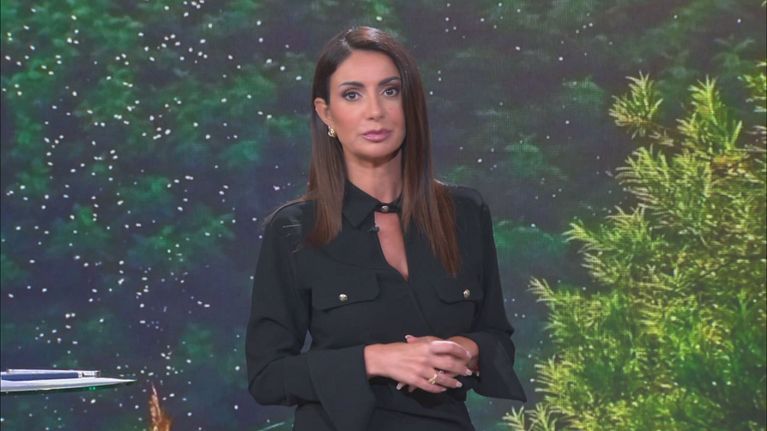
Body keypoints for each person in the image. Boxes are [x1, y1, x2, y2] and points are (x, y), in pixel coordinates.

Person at [246, 26, 526, 431]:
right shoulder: (294, 229)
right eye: (352, 95)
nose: (375, 111)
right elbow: (267, 376)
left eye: (390, 91)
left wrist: (465, 350)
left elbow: (497, 337)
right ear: (326, 113)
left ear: (410, 104)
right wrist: (376, 359)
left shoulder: (465, 213)